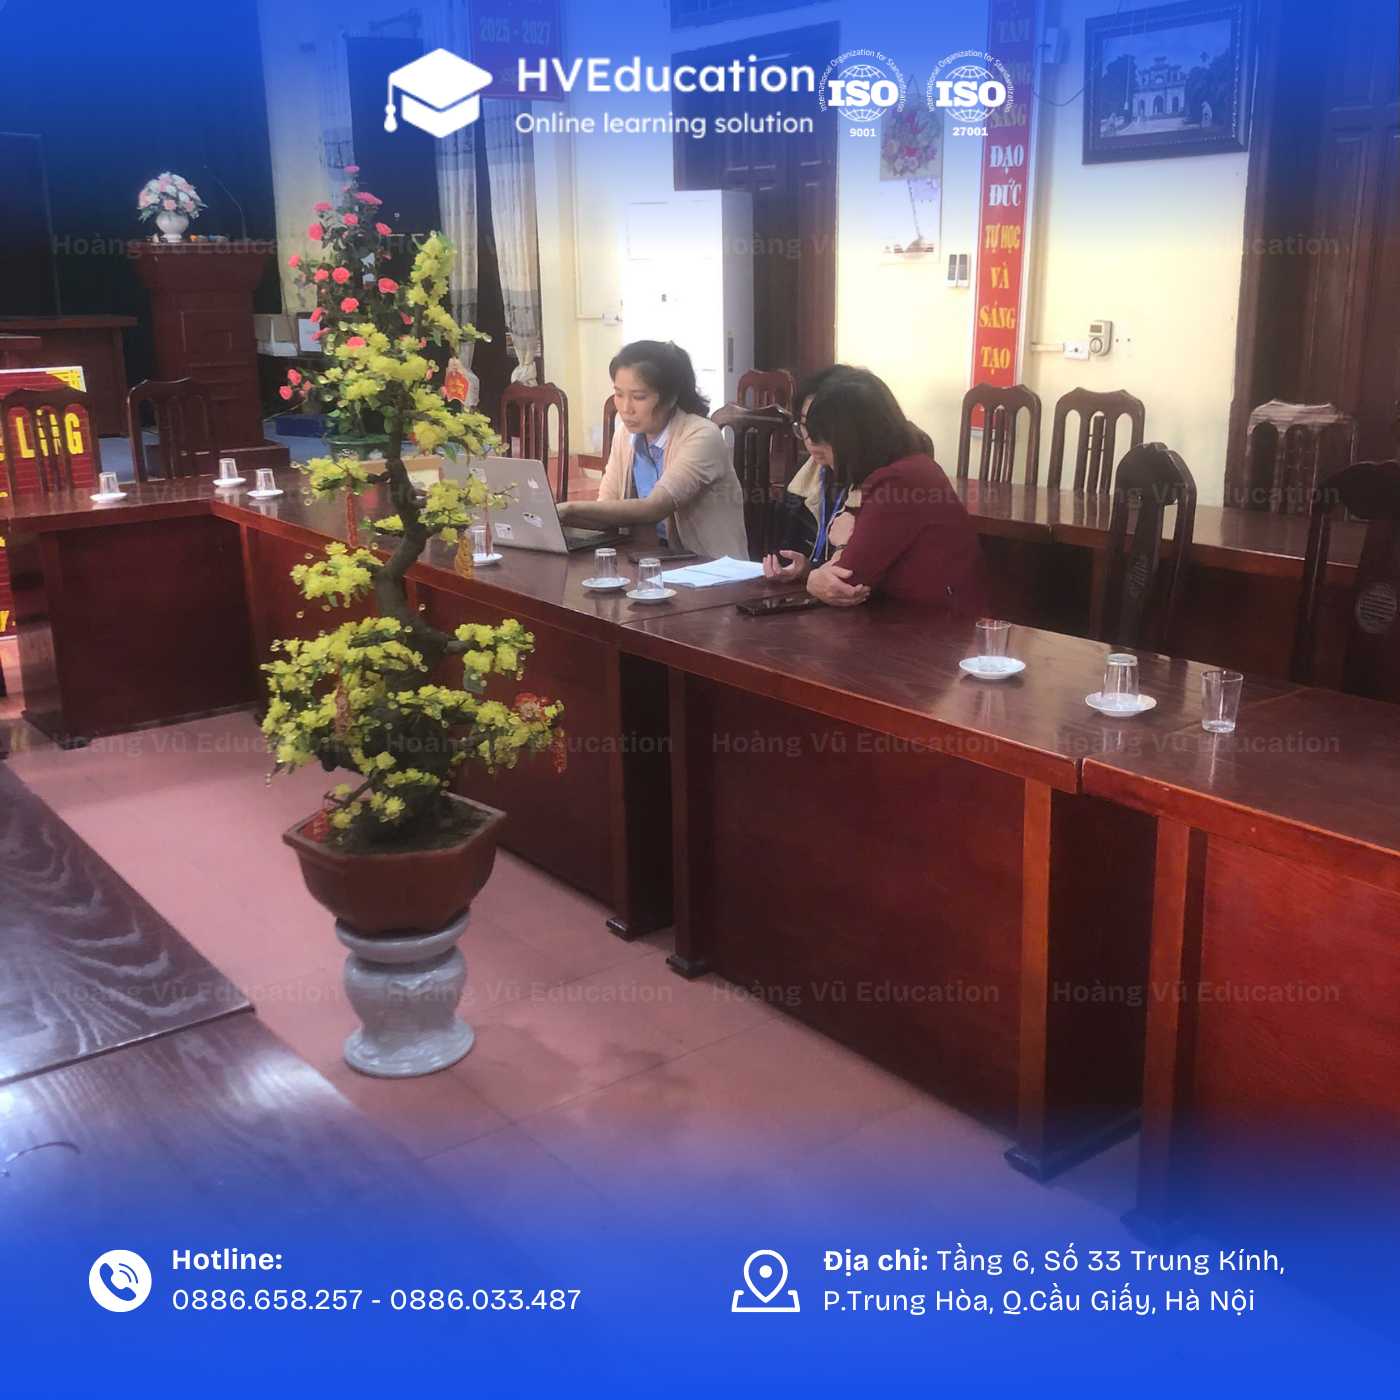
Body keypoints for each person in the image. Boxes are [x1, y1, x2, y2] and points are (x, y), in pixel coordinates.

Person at [763, 370, 988, 612]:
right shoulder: (907, 466)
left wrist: (829, 561)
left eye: (825, 436)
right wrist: (812, 572)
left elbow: (846, 583)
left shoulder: (897, 482)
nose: (815, 446)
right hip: (910, 618)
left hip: (941, 625)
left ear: (854, 436)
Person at [556, 340, 748, 559]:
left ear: (670, 398)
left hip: (709, 566)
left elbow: (655, 507)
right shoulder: (625, 435)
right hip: (648, 559)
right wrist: (552, 517)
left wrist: (568, 510)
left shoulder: (702, 435)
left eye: (638, 397)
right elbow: (607, 508)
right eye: (619, 394)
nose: (625, 408)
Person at [771, 366, 937, 565]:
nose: (812, 441)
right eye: (805, 426)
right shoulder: (804, 474)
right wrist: (803, 570)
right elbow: (783, 549)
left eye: (824, 430)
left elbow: (861, 573)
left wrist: (816, 573)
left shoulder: (890, 484)